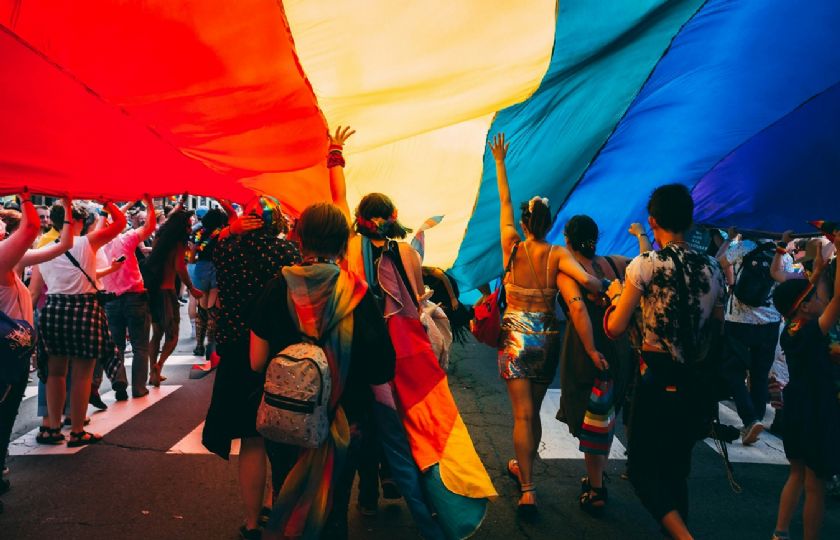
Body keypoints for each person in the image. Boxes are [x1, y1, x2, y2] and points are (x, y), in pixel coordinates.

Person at [250, 202, 396, 540]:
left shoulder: (278, 287)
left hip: (286, 420)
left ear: (300, 240)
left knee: (287, 497)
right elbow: (381, 369)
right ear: (345, 244)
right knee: (333, 510)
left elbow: (257, 362)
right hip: (344, 423)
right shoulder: (358, 296)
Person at [488, 133, 607, 516]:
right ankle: (525, 471)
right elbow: (588, 282)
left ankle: (527, 488)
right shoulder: (556, 254)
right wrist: (609, 286)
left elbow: (504, 201)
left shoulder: (512, 245)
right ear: (551, 222)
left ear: (524, 222)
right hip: (547, 336)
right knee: (533, 413)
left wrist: (500, 163)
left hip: (515, 334)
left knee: (520, 415)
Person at [604, 183, 726, 539]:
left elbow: (615, 327)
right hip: (695, 380)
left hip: (655, 377)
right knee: (676, 470)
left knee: (641, 471)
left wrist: (614, 298)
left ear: (652, 221)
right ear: (689, 222)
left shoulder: (645, 265)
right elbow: (717, 327)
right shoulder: (712, 269)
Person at [202, 195, 301, 539]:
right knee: (283, 436)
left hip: (238, 354)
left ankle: (250, 522)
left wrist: (229, 230)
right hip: (279, 353)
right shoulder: (288, 254)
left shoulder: (226, 250)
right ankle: (277, 509)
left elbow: (203, 246)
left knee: (252, 440)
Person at [555, 215, 633, 515]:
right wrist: (640, 236)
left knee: (590, 419)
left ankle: (597, 487)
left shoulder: (568, 272)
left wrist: (589, 350)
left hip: (587, 351)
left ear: (567, 240)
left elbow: (576, 309)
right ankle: (595, 476)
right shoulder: (615, 264)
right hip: (618, 346)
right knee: (605, 414)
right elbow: (643, 263)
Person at [0, 193, 73, 512]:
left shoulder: (11, 263)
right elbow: (30, 229)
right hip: (4, 357)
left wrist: (69, 212)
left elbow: (61, 246)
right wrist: (26, 194)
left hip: (12, 356)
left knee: (5, 417)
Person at [36, 199, 126, 447]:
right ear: (74, 220)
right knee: (82, 375)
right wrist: (105, 200)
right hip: (84, 308)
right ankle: (77, 430)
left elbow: (36, 289)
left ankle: (53, 428)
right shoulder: (87, 242)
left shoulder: (44, 249)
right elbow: (121, 223)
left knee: (55, 373)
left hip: (53, 309)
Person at [769, 231, 840, 540]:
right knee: (815, 484)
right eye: (812, 299)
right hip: (817, 408)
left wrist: (820, 272)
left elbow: (815, 294)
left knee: (795, 474)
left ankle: (780, 532)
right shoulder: (814, 333)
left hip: (795, 406)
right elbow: (837, 298)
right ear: (804, 308)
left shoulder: (791, 330)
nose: (818, 300)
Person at [718, 230, 791, 445]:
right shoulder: (784, 255)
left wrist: (730, 238)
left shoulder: (742, 247)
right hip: (769, 322)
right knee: (759, 375)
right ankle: (756, 420)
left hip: (738, 320)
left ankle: (750, 420)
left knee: (733, 371)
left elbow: (718, 263)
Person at [99, 194, 158, 399]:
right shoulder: (127, 238)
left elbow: (113, 221)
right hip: (135, 297)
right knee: (140, 345)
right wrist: (150, 204)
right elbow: (150, 227)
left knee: (116, 346)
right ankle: (139, 388)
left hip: (111, 300)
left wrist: (122, 207)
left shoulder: (98, 244)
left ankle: (119, 380)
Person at [143, 206, 203, 386]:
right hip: (167, 292)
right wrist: (191, 288)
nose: (190, 227)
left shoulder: (160, 238)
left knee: (157, 333)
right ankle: (159, 366)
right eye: (189, 224)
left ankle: (152, 369)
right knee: (173, 335)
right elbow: (180, 267)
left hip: (153, 292)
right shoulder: (179, 242)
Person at [189, 207, 232, 359]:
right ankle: (211, 345)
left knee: (201, 306)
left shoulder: (200, 232)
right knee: (213, 308)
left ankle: (199, 346)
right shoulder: (223, 233)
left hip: (201, 267)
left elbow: (193, 250)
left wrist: (192, 261)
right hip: (217, 267)